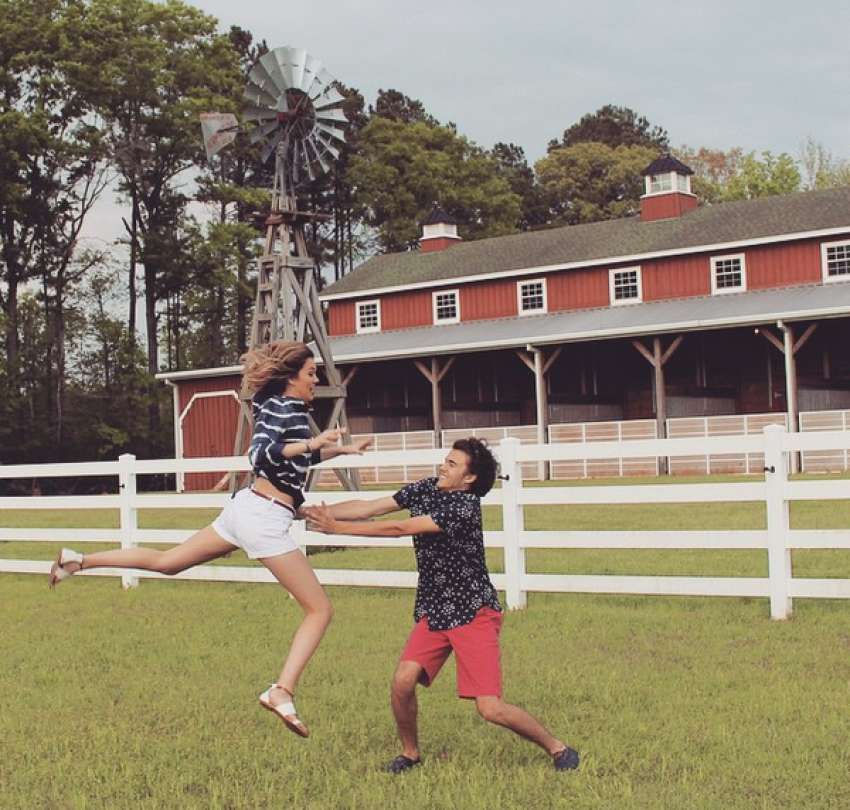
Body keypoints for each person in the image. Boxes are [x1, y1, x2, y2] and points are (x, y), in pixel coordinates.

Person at [49, 340, 371, 739]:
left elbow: (292, 457)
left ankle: (78, 561)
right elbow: (263, 455)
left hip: (246, 509)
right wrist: (312, 443)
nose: (315, 380)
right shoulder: (286, 409)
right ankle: (281, 690)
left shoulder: (278, 407)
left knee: (168, 563)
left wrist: (340, 450)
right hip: (263, 517)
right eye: (310, 373)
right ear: (291, 377)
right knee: (319, 610)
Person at [304, 437, 580, 773]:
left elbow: (399, 527)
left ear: (469, 478)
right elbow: (370, 507)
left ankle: (558, 749)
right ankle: (410, 754)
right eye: (445, 460)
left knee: (490, 708)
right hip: (436, 610)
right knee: (403, 681)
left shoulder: (463, 507)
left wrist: (337, 529)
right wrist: (307, 511)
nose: (442, 467)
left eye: (452, 464)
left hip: (472, 611)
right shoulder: (427, 488)